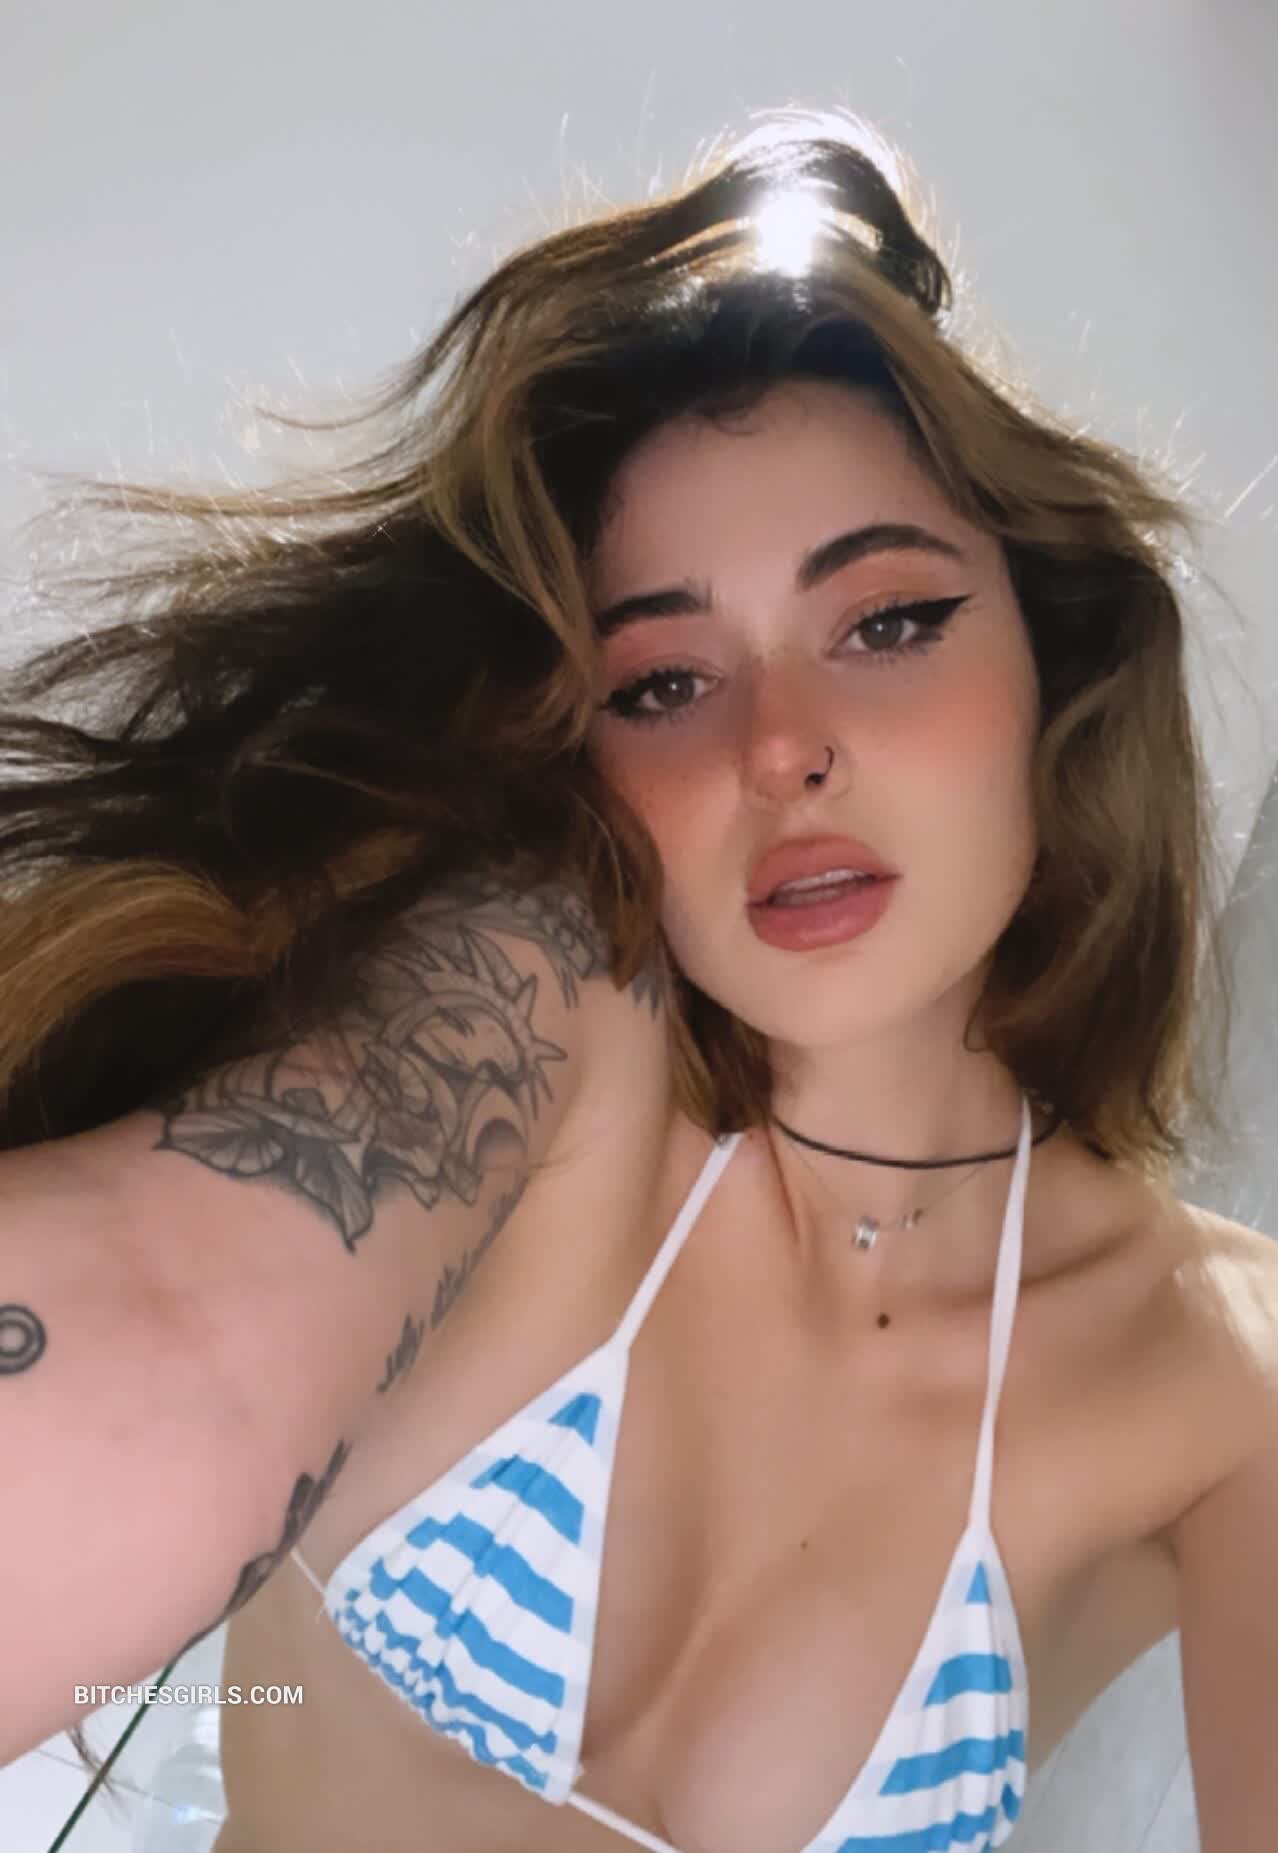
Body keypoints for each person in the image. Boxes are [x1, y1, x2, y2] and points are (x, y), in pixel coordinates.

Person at [1, 111, 1272, 1853]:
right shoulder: (543, 1010)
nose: (779, 748)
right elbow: (174, 1320)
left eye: (887, 621)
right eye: (663, 681)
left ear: (1053, 666)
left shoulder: (1218, 1378)